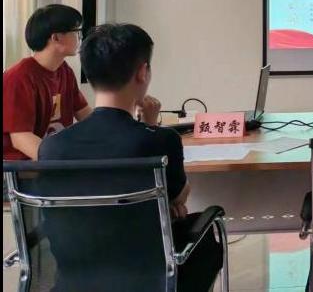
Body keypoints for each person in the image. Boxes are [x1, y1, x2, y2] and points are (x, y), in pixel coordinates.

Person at [39, 24, 222, 292]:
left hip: (74, 280)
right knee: (203, 237)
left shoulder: (51, 148)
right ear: (142, 72)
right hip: (150, 278)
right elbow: (179, 197)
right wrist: (150, 126)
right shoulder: (161, 140)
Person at [3, 4, 91, 161]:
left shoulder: (65, 71)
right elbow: (21, 138)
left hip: (52, 163)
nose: (81, 36)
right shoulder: (19, 77)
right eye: (76, 31)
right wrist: (63, 164)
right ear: (56, 38)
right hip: (24, 168)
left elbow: (86, 116)